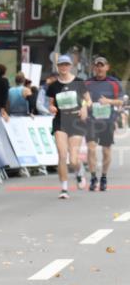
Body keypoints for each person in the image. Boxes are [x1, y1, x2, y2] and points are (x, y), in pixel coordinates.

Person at [47, 55, 90, 199]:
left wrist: (83, 107)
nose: (63, 67)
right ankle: (64, 188)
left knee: (73, 160)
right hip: (60, 121)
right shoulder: (53, 86)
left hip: (76, 120)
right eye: (61, 65)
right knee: (62, 155)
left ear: (70, 66)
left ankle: (79, 172)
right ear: (57, 67)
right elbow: (51, 103)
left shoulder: (79, 82)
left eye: (66, 65)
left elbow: (88, 100)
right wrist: (52, 108)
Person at [84, 56, 123, 192]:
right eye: (97, 65)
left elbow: (121, 102)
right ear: (94, 68)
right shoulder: (87, 83)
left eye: (102, 65)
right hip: (91, 121)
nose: (99, 68)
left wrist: (109, 101)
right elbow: (81, 100)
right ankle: (94, 177)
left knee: (106, 151)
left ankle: (104, 177)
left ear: (107, 67)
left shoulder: (114, 83)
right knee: (91, 148)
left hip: (107, 121)